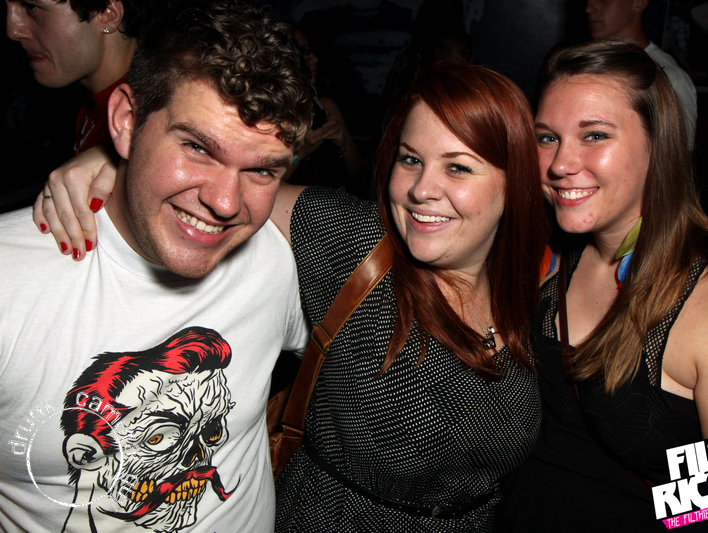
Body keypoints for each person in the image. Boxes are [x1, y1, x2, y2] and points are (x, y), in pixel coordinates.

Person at [33, 62, 551, 531]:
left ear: (515, 183)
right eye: (410, 159)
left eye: (457, 167)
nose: (420, 189)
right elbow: (233, 197)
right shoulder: (356, 244)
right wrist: (114, 161)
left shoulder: (535, 284)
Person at [0, 1, 312, 531]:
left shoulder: (276, 260)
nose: (225, 203)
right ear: (125, 121)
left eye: (261, 170)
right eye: (197, 148)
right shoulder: (12, 283)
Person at [496, 40, 708, 532]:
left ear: (660, 145)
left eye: (595, 135)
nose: (559, 163)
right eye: (547, 137)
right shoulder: (554, 257)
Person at [6, 0, 164, 154]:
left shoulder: (148, 125)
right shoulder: (97, 104)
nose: (12, 31)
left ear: (107, 14)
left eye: (31, 7)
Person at [585, 0, 698, 144]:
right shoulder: (583, 69)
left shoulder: (669, 78)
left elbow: (675, 155)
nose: (588, 8)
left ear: (638, 3)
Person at [283, 27, 365, 193]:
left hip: (335, 200)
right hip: (294, 205)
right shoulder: (271, 113)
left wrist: (343, 144)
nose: (314, 59)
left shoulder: (325, 106)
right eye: (304, 53)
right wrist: (300, 153)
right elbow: (264, 186)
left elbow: (361, 176)